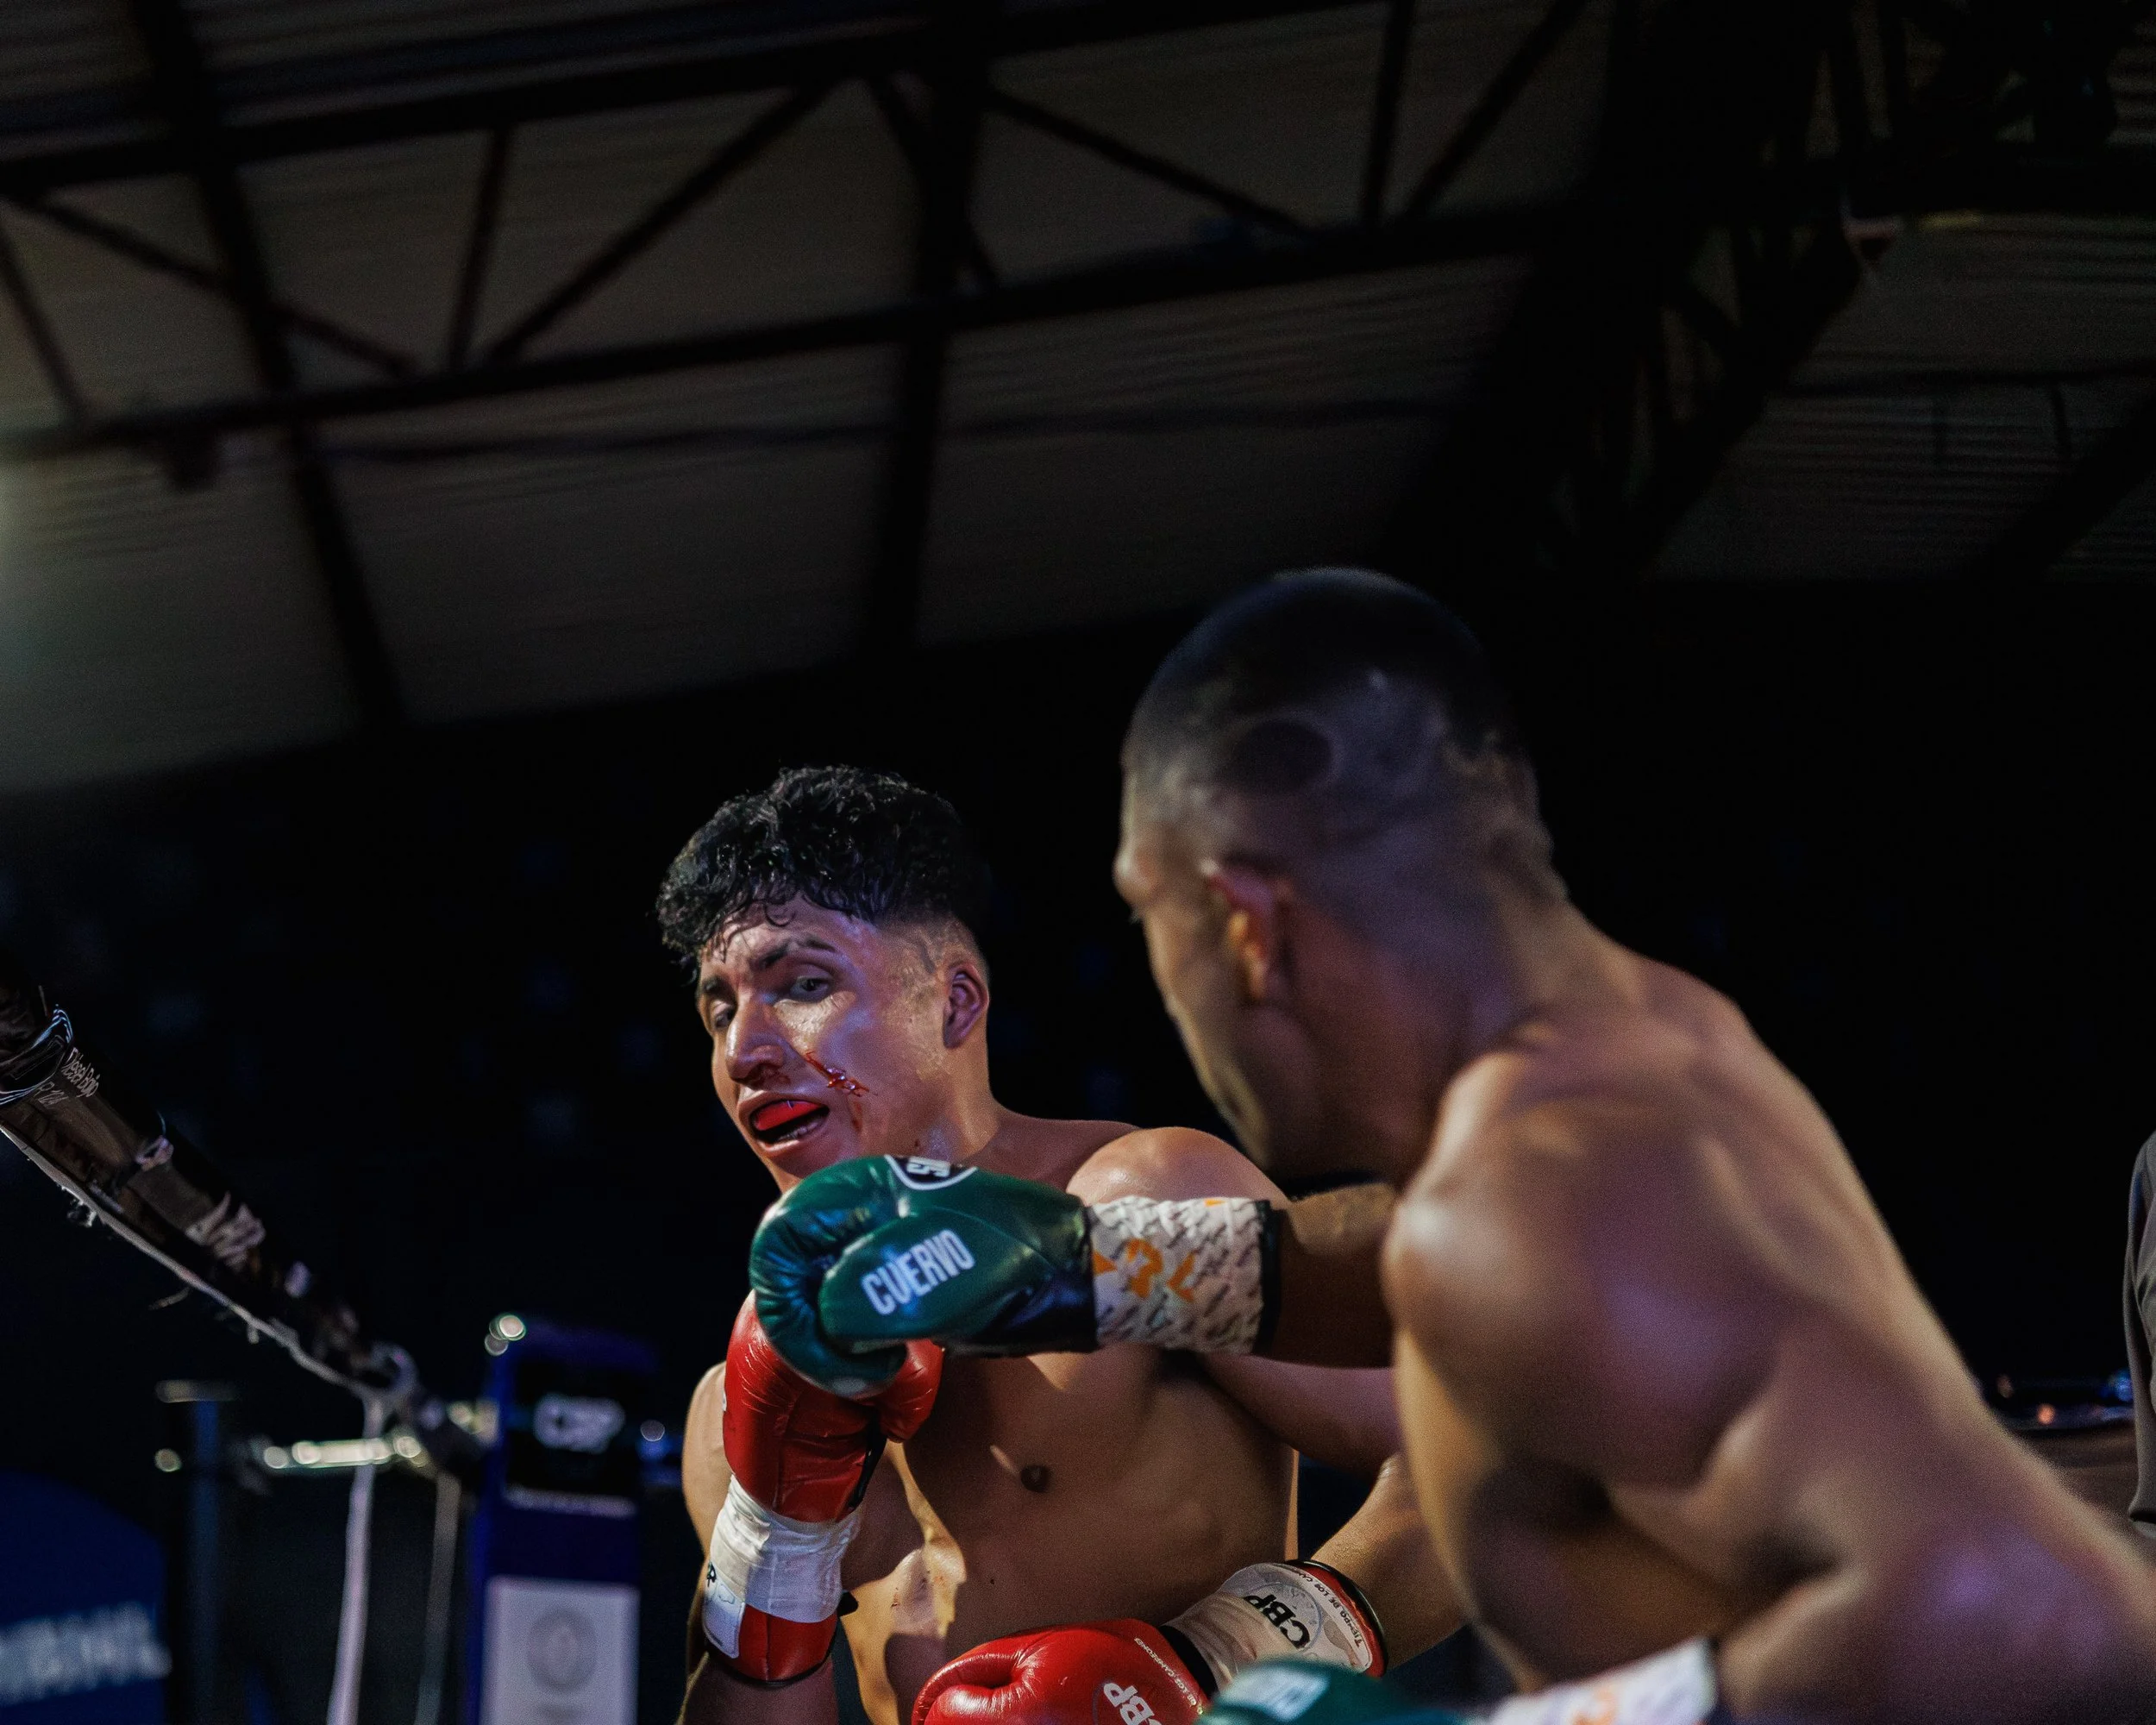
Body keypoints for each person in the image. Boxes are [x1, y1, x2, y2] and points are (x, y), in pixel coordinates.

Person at [753, 573, 2156, 1724]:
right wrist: (1081, 1270)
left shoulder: (1564, 1159)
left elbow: (2023, 1613)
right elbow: (1429, 1261)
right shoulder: (1619, 1066)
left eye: (1152, 925)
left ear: (1245, 921)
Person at [658, 767, 1454, 1725]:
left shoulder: (1141, 1201)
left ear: (955, 1002)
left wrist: (1219, 1658)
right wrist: (775, 1543)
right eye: (718, 1009)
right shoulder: (726, 1415)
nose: (746, 1047)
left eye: (804, 984)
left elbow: (1486, 1461)